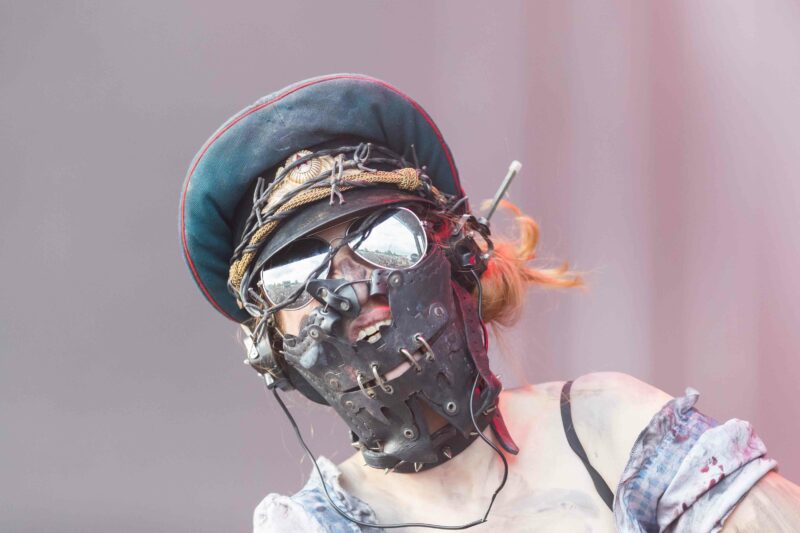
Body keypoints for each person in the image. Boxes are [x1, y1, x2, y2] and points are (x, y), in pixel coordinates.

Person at [180, 74, 800, 532]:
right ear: (272, 349)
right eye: (294, 276)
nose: (351, 291)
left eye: (384, 239)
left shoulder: (614, 431)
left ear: (459, 254)